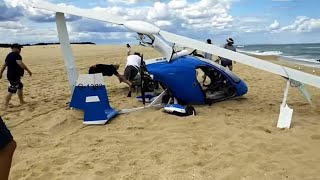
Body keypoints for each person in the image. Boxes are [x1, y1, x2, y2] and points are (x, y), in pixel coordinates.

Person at [0, 43, 32, 109]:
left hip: (11, 75)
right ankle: (5, 105)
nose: (20, 50)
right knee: (11, 90)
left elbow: (5, 64)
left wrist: (1, 72)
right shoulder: (16, 55)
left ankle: (21, 101)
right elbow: (20, 63)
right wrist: (28, 70)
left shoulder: (9, 55)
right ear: (15, 48)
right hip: (14, 76)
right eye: (19, 49)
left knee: (20, 86)